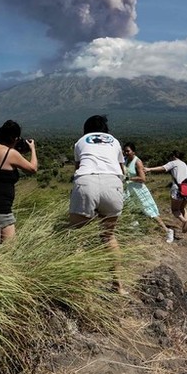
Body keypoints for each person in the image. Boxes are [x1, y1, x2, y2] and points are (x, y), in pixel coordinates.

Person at [69, 114, 128, 294]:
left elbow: (78, 168)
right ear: (105, 129)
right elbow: (122, 169)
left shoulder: (80, 142)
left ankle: (81, 287)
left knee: (77, 238)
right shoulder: (114, 141)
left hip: (86, 181)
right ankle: (118, 286)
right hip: (113, 184)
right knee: (108, 236)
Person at [0, 120, 37, 246]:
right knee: (10, 248)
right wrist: (32, 149)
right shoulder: (11, 154)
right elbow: (33, 169)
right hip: (0, 209)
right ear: (15, 138)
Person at [122, 142, 174, 243]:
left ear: (133, 151)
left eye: (128, 151)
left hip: (139, 190)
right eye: (125, 151)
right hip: (129, 189)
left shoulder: (137, 162)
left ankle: (167, 231)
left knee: (150, 211)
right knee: (131, 210)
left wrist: (128, 178)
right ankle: (137, 230)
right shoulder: (126, 160)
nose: (126, 153)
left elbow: (143, 178)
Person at [146, 150, 187, 234]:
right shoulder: (185, 164)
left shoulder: (173, 163)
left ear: (174, 156)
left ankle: (184, 221)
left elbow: (163, 168)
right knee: (182, 208)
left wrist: (149, 169)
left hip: (178, 188)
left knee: (175, 210)